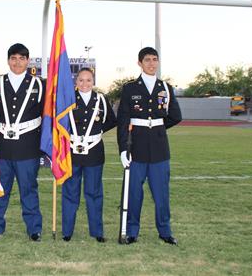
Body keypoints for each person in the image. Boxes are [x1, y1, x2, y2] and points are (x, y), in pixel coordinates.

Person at [0, 43, 45, 242]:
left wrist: (47, 146)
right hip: (2, 147)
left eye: (22, 58)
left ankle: (34, 229)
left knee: (29, 190)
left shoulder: (41, 84)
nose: (17, 62)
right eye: (14, 58)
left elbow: (47, 117)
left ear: (28, 61)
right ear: (8, 60)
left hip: (28, 147)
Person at [116, 47, 182, 245]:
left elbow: (176, 116)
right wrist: (123, 149)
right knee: (134, 193)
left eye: (155, 59)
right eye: (147, 60)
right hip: (136, 147)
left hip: (160, 148)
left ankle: (165, 231)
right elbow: (122, 121)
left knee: (161, 193)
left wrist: (157, 128)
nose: (152, 63)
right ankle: (131, 232)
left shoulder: (166, 88)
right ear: (139, 63)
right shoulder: (129, 88)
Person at [62, 68, 117, 243]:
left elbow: (111, 121)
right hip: (72, 151)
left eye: (88, 80)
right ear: (76, 82)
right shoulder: (68, 99)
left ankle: (97, 232)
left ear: (93, 82)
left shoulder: (101, 99)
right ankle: (67, 232)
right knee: (71, 192)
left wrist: (96, 131)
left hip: (94, 151)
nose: (85, 84)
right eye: (81, 80)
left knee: (93, 193)